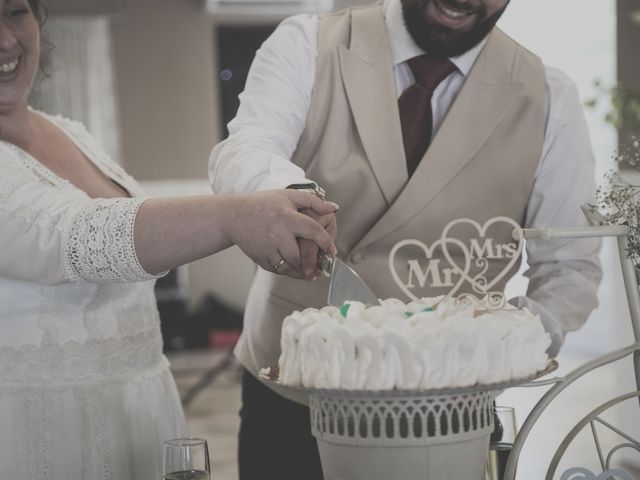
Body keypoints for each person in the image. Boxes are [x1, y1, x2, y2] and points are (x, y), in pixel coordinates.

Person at [208, 0, 603, 478]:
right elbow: (248, 148)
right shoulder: (307, 44)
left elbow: (569, 268)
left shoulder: (549, 98)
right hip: (295, 395)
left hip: (453, 415)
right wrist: (283, 201)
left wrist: (500, 343)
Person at [0, 0, 339, 479]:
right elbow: (75, 235)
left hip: (142, 411)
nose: (6, 39)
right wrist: (237, 217)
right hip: (46, 434)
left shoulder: (70, 132)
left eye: (15, 12)